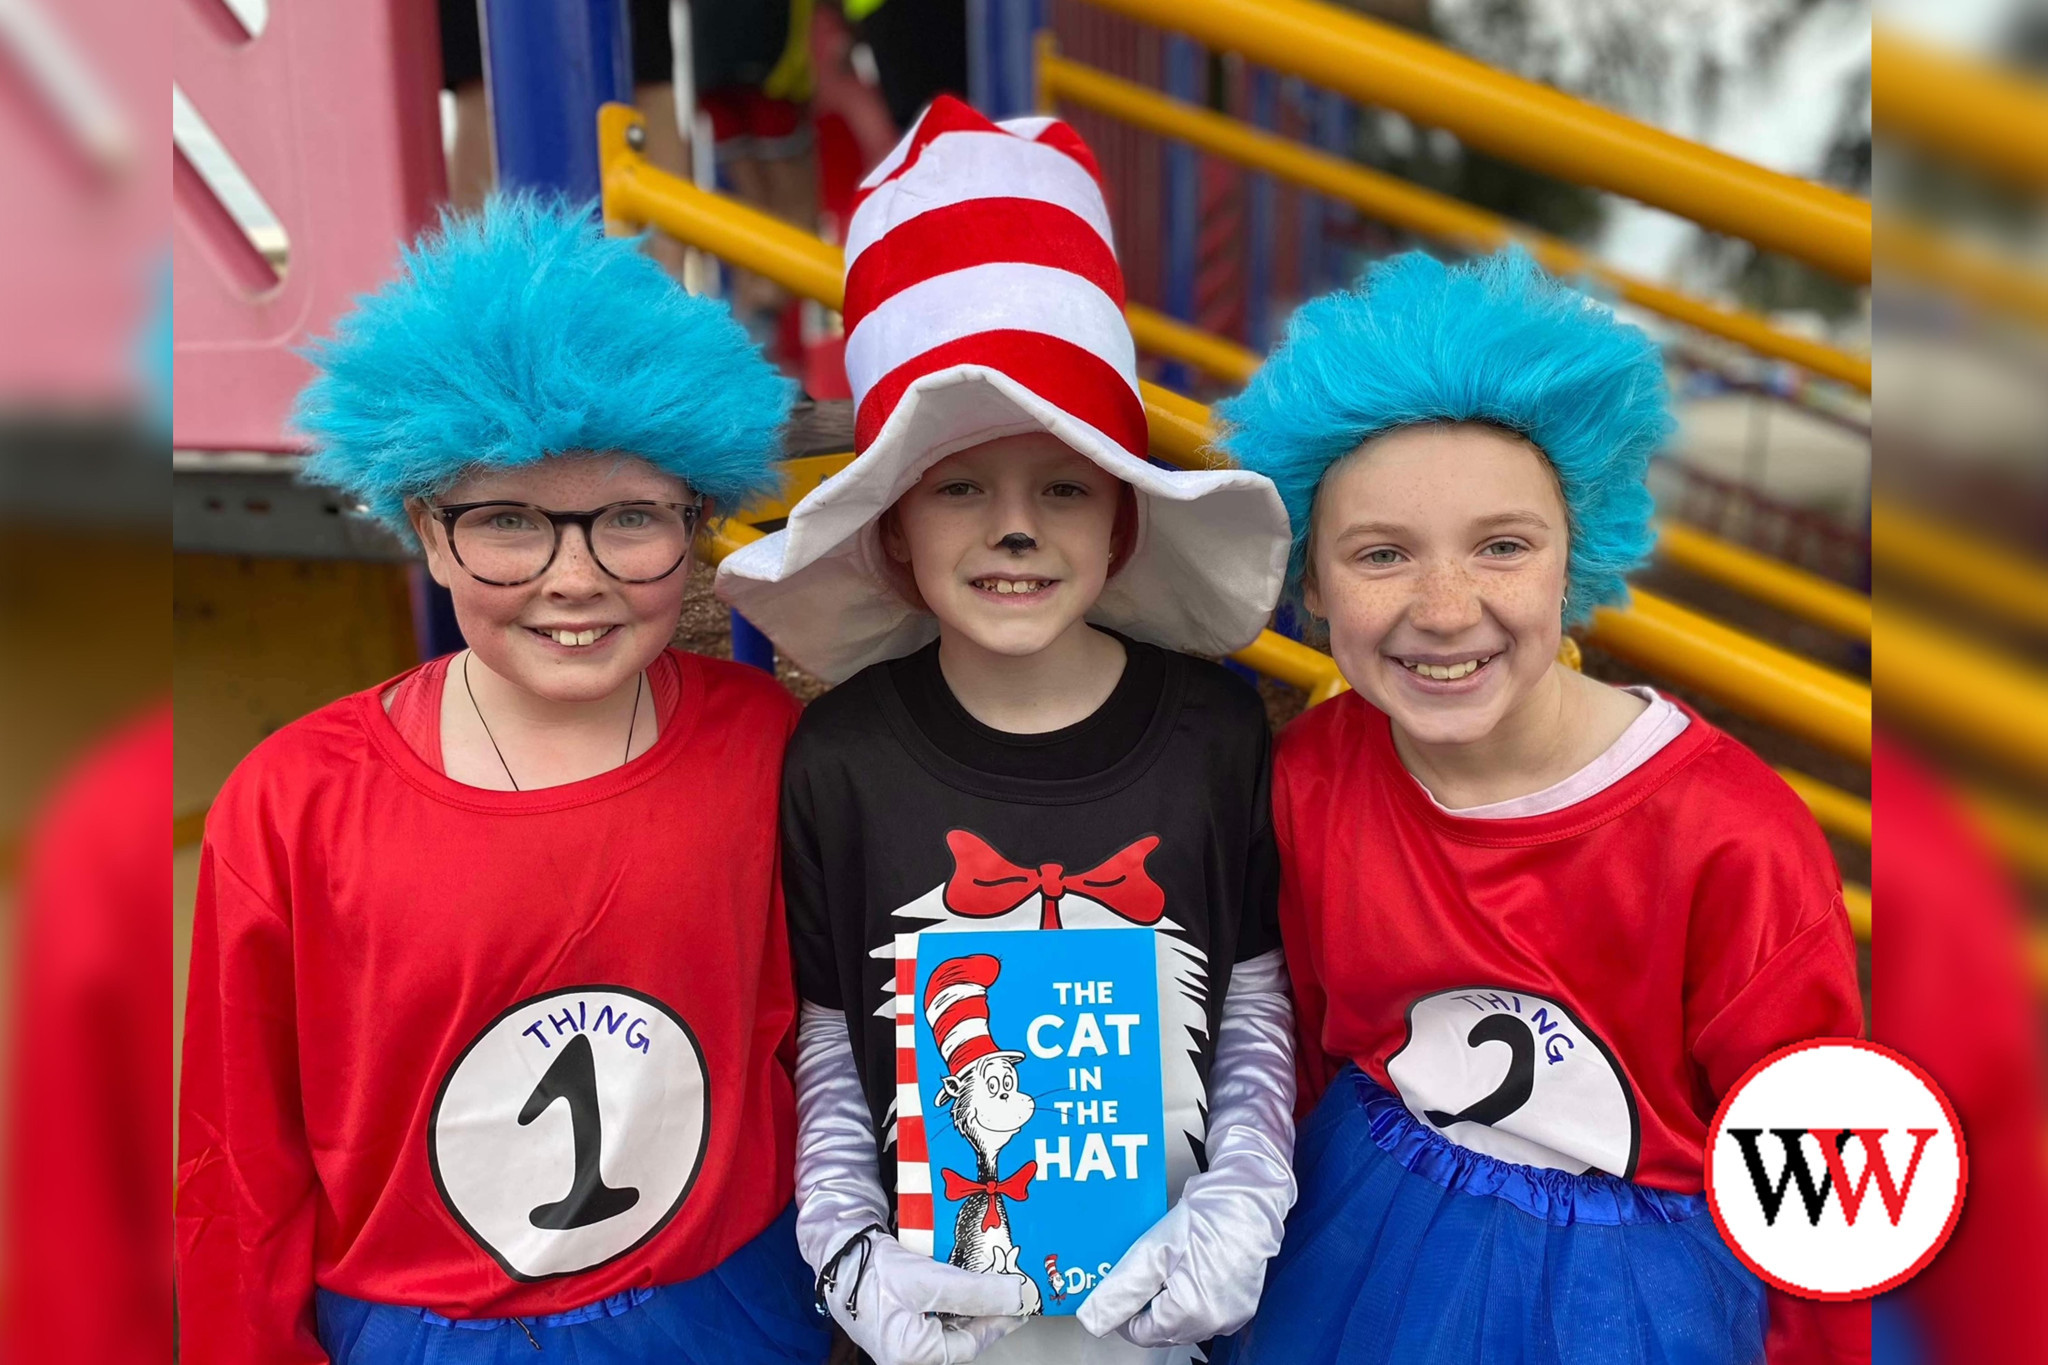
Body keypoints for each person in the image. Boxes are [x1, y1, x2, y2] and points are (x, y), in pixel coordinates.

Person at [174, 196, 829, 1365]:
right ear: (424, 526)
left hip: (723, 1311)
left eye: (630, 519)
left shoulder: (769, 750)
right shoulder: (293, 805)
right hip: (421, 1333)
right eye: (510, 521)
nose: (571, 579)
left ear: (700, 522)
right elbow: (240, 1161)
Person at [717, 97, 1299, 1365]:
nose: (1016, 528)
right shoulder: (836, 761)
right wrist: (845, 1248)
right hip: (927, 1321)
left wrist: (1243, 1199)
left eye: (1065, 484)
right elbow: (826, 1037)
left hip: (1166, 1318)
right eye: (961, 486)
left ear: (1120, 523)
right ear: (891, 529)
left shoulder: (1214, 732)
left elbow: (1254, 999)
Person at [1210, 248, 1867, 1365]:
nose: (1443, 605)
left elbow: (1809, 1171)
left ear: (1575, 556)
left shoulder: (1730, 838)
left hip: (1627, 1302)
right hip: (1357, 1239)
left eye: (1501, 546)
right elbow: (1314, 1038)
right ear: (1310, 587)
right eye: (1379, 555)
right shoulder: (1313, 772)